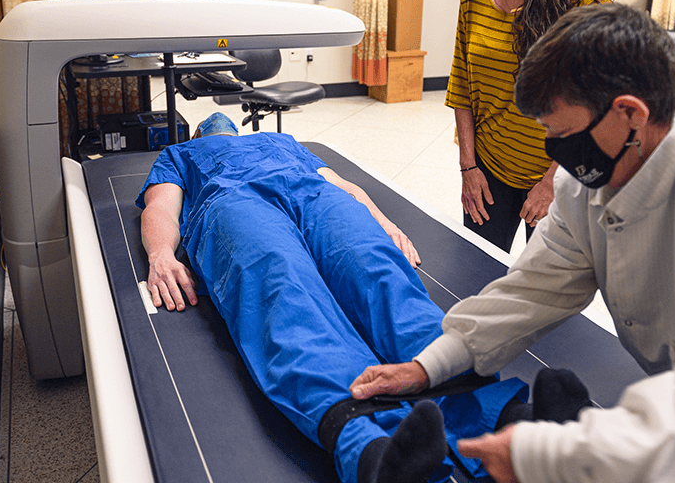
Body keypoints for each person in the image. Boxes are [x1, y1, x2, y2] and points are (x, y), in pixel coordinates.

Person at [351, 4, 675, 483]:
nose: (557, 154)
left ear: (628, 112)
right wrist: (430, 365)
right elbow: (537, 286)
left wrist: (556, 457)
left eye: (562, 134)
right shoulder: (604, 169)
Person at [137, 112, 529, 483]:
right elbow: (160, 207)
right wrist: (161, 254)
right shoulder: (179, 154)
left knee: (380, 276)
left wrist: (384, 224)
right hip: (232, 201)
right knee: (285, 292)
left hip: (315, 195)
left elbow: (344, 186)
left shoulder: (281, 140)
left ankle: (492, 413)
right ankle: (373, 446)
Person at [448, 0, 612, 252]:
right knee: (476, 276)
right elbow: (461, 91)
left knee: (549, 299)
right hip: (487, 172)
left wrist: (553, 181)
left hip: (558, 176)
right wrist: (468, 169)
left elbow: (596, 101)